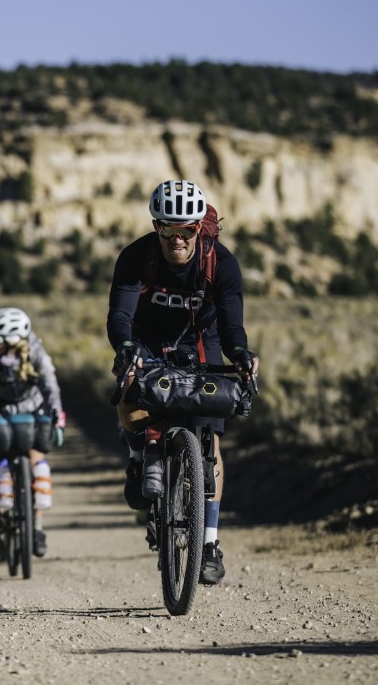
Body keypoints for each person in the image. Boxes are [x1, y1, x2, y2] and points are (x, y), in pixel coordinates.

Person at [106, 178, 260, 586]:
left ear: (199, 229)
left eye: (186, 230)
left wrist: (242, 354)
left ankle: (208, 543)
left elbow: (231, 326)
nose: (177, 239)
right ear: (156, 227)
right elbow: (119, 314)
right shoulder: (136, 257)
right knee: (128, 394)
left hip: (200, 338)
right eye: (167, 230)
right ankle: (140, 461)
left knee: (210, 441)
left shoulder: (220, 263)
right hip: (145, 336)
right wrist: (124, 348)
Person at [0, 307, 66, 558]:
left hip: (31, 411)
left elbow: (50, 384)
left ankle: (36, 527)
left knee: (36, 458)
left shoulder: (36, 353)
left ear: (11, 339)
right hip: (2, 412)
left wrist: (56, 411)